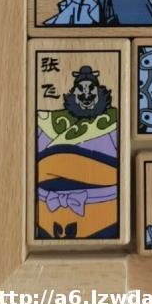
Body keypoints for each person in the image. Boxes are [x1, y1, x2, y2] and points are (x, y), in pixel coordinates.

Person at [36, 66, 119, 239]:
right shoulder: (44, 124)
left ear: (99, 92)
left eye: (91, 90)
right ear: (73, 93)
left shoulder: (115, 125)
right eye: (81, 90)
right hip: (45, 218)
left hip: (104, 218)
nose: (86, 96)